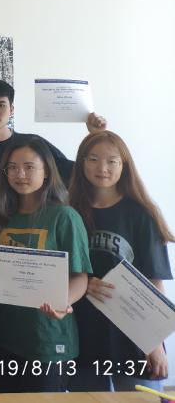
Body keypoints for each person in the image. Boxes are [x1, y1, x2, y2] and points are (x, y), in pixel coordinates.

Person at [0, 135, 92, 393]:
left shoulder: (64, 216)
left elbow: (80, 276)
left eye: (29, 167)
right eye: (12, 167)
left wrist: (64, 301)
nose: (20, 174)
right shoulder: (1, 214)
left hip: (48, 340)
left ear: (47, 171)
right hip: (5, 337)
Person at [67, 131, 173, 392]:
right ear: (81, 163)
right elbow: (59, 270)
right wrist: (83, 285)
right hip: (83, 332)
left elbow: (154, 282)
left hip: (133, 332)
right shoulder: (70, 211)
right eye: (93, 159)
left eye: (112, 161)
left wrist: (155, 343)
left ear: (124, 165)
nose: (102, 168)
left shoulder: (142, 214)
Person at [0, 79, 106, 187]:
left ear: (11, 110)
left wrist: (96, 136)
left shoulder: (32, 144)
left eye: (1, 105)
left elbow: (75, 172)